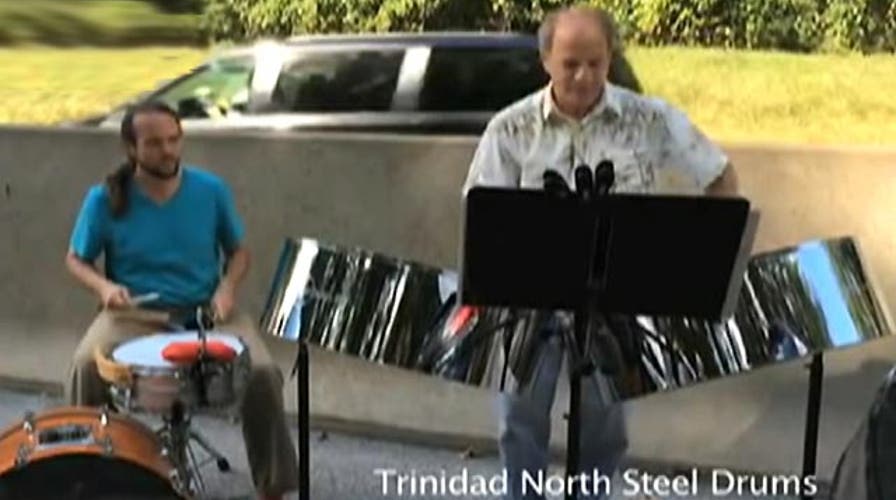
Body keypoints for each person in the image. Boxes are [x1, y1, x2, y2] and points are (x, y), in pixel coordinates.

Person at [463, 5, 739, 500]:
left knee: (605, 435)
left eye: (596, 62)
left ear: (610, 58)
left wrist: (705, 251)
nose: (584, 76)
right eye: (571, 64)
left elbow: (718, 172)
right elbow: (478, 220)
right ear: (546, 59)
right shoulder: (510, 130)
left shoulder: (648, 119)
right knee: (518, 424)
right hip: (530, 308)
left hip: (614, 306)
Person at [63, 101, 297, 500]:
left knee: (261, 373)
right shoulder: (103, 199)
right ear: (131, 149)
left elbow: (239, 252)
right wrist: (104, 288)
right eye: (154, 144)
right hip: (135, 313)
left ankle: (273, 488)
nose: (168, 150)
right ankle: (89, 480)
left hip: (208, 310)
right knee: (86, 366)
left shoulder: (210, 190)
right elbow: (75, 259)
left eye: (174, 140)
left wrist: (227, 288)